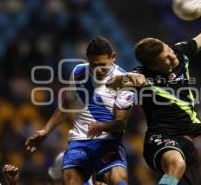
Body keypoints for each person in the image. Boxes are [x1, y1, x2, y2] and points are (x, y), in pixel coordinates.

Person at [88, 0, 201, 185]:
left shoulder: (180, 54)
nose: (172, 57)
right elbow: (112, 82)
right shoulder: (141, 74)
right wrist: (125, 78)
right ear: (152, 66)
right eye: (166, 58)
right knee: (176, 165)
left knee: (181, 169)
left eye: (169, 50)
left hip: (188, 145)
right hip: (160, 139)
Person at [25, 37, 134, 185]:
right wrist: (46, 130)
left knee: (119, 180)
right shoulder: (78, 72)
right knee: (70, 180)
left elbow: (121, 123)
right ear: (87, 59)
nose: (98, 70)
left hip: (108, 143)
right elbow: (67, 105)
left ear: (113, 57)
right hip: (80, 141)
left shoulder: (124, 81)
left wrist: (102, 126)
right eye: (93, 65)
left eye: (103, 65)